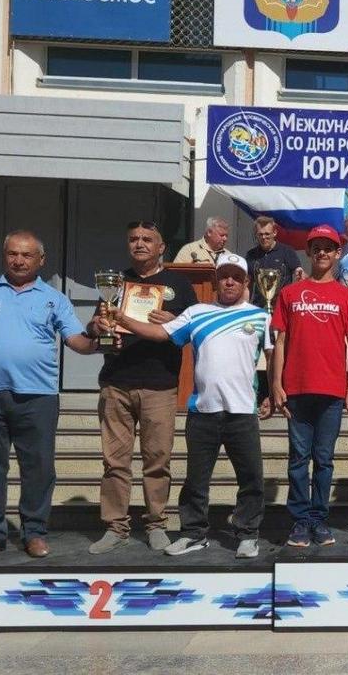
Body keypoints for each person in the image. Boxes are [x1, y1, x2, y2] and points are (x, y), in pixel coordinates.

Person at [115, 253, 271, 558]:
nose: (229, 281)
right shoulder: (196, 312)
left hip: (242, 411)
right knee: (196, 480)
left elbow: (273, 359)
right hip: (203, 411)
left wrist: (271, 392)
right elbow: (160, 334)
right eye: (224, 276)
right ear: (215, 280)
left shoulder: (260, 316)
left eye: (236, 277)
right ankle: (194, 533)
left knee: (251, 477)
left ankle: (248, 533)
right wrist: (122, 319)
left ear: (246, 283)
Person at [0, 231, 100, 561]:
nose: (19, 260)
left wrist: (95, 333)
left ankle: (34, 532)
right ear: (4, 256)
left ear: (41, 260)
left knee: (38, 468)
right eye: (12, 254)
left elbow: (77, 343)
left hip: (38, 396)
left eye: (26, 255)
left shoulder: (54, 299)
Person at [85, 221, 198, 555]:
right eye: (133, 238)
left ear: (161, 247)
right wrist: (97, 325)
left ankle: (156, 523)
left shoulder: (179, 284)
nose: (139, 244)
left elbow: (188, 331)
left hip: (159, 385)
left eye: (147, 239)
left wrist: (173, 323)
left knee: (157, 460)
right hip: (116, 383)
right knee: (114, 462)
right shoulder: (115, 282)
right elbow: (96, 327)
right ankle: (115, 526)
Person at [272, 225, 348, 547]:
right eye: (317, 248)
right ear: (309, 253)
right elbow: (280, 341)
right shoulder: (289, 293)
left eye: (329, 247)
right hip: (296, 388)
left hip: (331, 389)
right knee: (298, 458)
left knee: (323, 459)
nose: (323, 252)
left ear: (338, 253)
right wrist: (275, 383)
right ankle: (299, 520)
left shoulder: (347, 296)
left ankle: (318, 518)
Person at [244, 215, 303, 307]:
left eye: (267, 234)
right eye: (260, 234)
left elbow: (298, 274)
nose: (263, 237)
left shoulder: (287, 251)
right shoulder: (251, 255)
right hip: (259, 307)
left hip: (283, 307)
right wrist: (245, 307)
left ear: (274, 233)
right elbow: (247, 285)